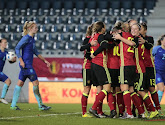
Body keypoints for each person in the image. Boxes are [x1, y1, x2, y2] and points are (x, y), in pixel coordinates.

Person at [10, 21, 51, 111]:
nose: (37, 29)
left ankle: (13, 105)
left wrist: (45, 61)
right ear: (30, 29)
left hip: (25, 66)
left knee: (20, 83)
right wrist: (21, 61)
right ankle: (40, 106)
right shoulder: (26, 38)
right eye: (35, 27)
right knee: (36, 83)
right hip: (27, 65)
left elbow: (35, 52)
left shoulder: (32, 39)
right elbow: (17, 48)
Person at [88, 21, 116, 118]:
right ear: (102, 28)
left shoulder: (93, 37)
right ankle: (94, 108)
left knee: (100, 89)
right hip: (100, 64)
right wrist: (112, 45)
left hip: (94, 65)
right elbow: (104, 45)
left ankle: (101, 112)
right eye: (105, 26)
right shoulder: (100, 36)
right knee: (108, 87)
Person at [140, 23, 163, 116]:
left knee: (151, 88)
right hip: (139, 67)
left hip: (149, 67)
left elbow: (149, 45)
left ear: (145, 30)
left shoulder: (149, 38)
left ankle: (158, 108)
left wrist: (144, 41)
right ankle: (146, 110)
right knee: (142, 89)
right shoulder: (135, 39)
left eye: (140, 28)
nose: (139, 30)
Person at [0, 38, 16, 104]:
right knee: (8, 81)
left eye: (6, 42)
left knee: (8, 81)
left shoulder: (6, 53)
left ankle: (2, 98)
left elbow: (10, 61)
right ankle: (2, 98)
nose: (6, 44)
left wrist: (13, 60)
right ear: (0, 43)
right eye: (4, 42)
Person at [152, 35, 165, 106]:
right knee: (161, 88)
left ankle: (153, 107)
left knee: (158, 91)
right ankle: (155, 107)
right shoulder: (156, 49)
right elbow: (150, 56)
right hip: (158, 72)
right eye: (164, 40)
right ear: (161, 41)